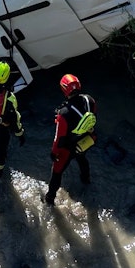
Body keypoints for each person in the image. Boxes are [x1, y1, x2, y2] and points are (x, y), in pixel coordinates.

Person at [44, 73, 97, 206]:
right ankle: (86, 181)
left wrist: (54, 153)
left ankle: (49, 199)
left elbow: (59, 137)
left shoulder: (63, 114)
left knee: (56, 172)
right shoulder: (89, 100)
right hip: (85, 141)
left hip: (68, 148)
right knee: (82, 159)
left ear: (64, 89)